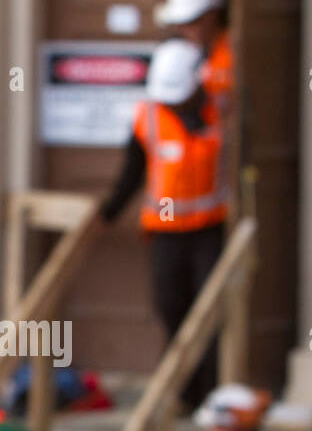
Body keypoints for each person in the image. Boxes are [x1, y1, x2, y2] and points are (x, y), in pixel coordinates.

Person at [96, 38, 227, 411]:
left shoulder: (220, 112)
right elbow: (132, 173)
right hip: (166, 231)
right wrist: (107, 214)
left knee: (210, 311)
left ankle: (209, 392)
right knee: (171, 307)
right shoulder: (148, 117)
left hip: (208, 227)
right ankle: (184, 391)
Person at [158, 0, 235, 119]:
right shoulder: (176, 53)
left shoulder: (233, 50)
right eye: (180, 24)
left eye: (192, 21)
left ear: (212, 14)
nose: (185, 30)